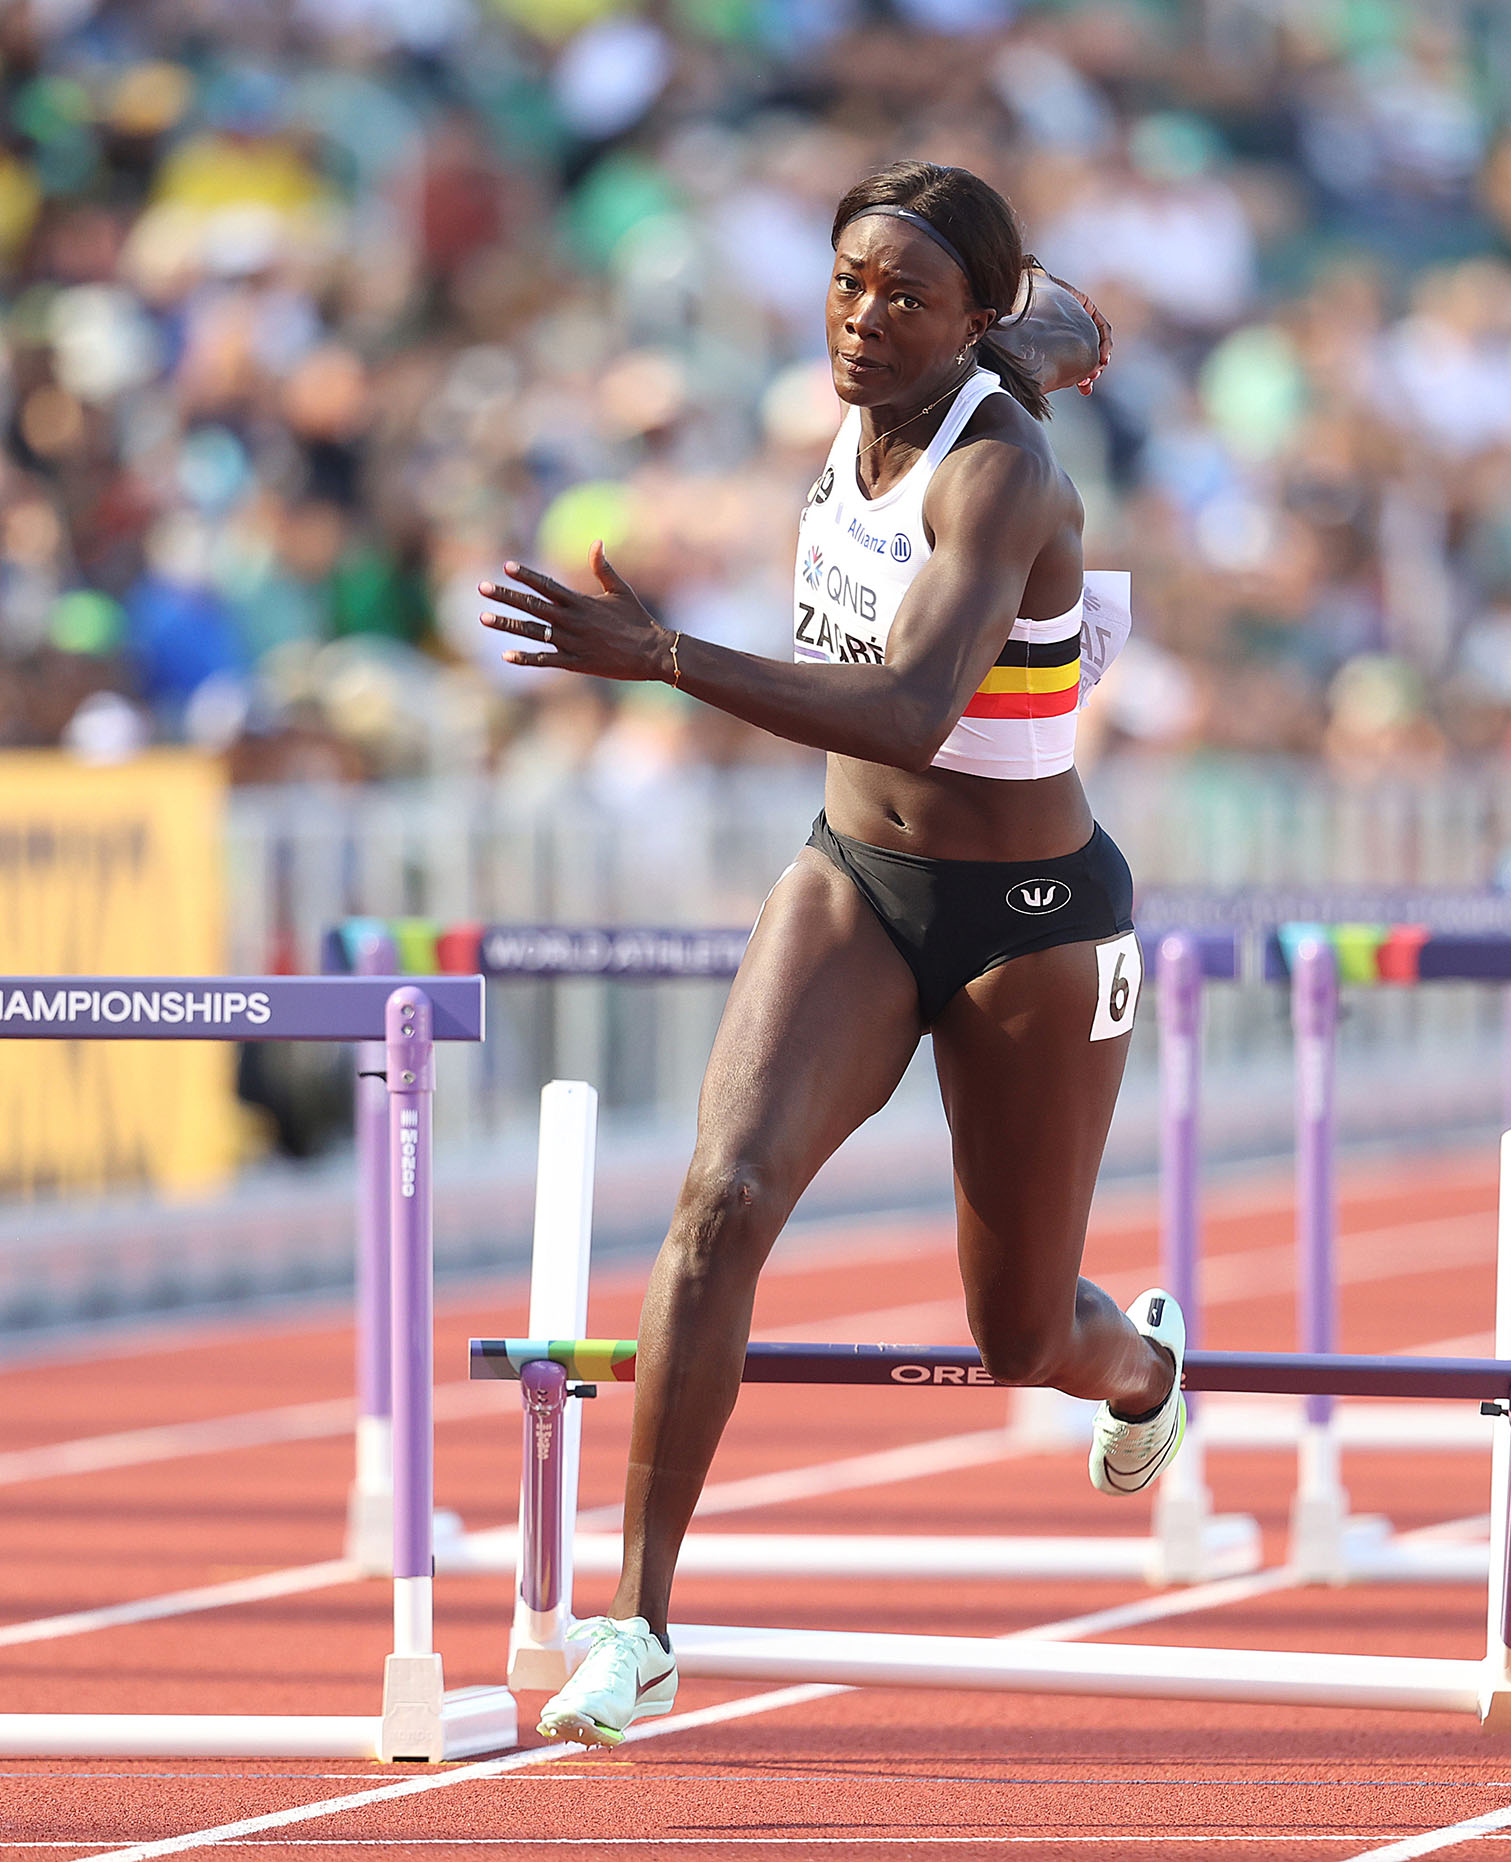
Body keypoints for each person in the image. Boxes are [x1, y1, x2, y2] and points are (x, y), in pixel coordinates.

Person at [477, 160, 1175, 1748]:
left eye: (906, 297)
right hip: (855, 876)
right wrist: (1055, 333)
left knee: (1022, 1335)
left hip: (1034, 923)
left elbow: (915, 708)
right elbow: (1044, 330)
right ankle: (636, 1624)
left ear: (969, 318)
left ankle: (1141, 1370)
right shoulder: (895, 388)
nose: (864, 319)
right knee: (719, 1199)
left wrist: (666, 654)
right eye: (849, 283)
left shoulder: (999, 475)